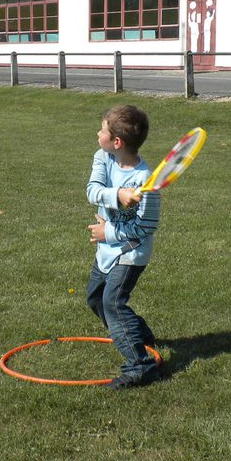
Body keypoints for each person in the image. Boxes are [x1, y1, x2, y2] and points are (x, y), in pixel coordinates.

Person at [85, 105, 162, 390]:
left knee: (113, 303)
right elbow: (92, 190)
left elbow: (146, 227)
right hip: (106, 250)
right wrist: (117, 195)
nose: (98, 133)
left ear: (117, 141)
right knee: (94, 299)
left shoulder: (147, 181)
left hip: (130, 253)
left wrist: (109, 231)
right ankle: (138, 333)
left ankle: (140, 366)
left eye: (102, 129)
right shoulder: (103, 158)